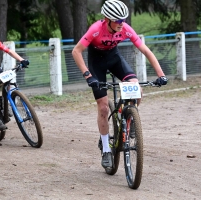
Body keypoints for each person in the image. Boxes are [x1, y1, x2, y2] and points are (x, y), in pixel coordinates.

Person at [72, 0, 168, 169]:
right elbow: (76, 51)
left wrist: (161, 75)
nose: (121, 24)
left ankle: (129, 119)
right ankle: (106, 149)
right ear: (107, 18)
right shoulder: (95, 29)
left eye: (123, 20)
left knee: (137, 90)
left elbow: (145, 50)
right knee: (103, 107)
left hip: (115, 59)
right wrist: (88, 75)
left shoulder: (125, 29)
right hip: (97, 63)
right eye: (118, 20)